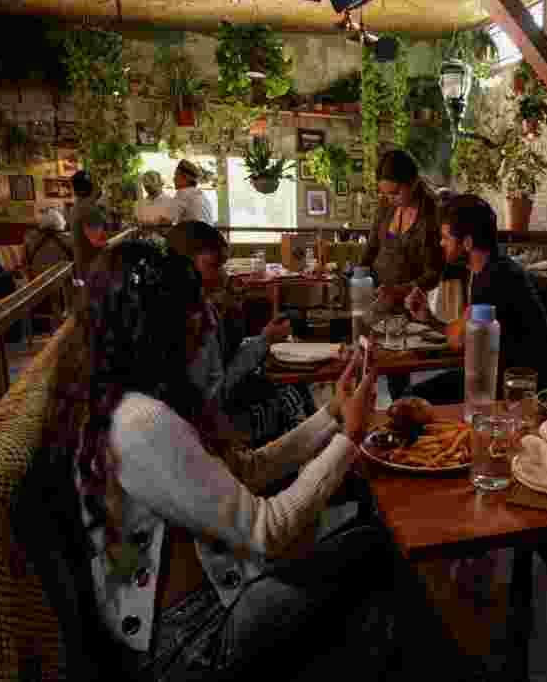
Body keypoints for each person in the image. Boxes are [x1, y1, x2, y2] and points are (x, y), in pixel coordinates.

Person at [41, 238, 483, 680]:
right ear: (150, 327)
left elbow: (249, 470)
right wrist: (349, 436)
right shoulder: (141, 421)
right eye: (189, 312)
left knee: (374, 555)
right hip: (189, 639)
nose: (203, 321)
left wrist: (331, 415)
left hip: (209, 604)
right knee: (377, 553)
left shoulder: (125, 399)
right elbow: (267, 530)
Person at [168, 220, 314, 446]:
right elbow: (217, 394)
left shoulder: (204, 307)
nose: (223, 275)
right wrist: (264, 341)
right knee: (289, 399)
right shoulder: (189, 322)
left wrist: (264, 336)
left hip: (216, 410)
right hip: (206, 428)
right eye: (215, 265)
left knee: (293, 388)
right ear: (184, 266)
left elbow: (223, 363)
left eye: (224, 265)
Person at [405, 194, 547, 403]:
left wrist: (431, 320)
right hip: (495, 376)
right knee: (414, 396)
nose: (441, 243)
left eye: (446, 237)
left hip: (516, 389)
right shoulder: (489, 268)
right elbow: (462, 332)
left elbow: (458, 339)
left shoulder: (496, 277)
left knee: (412, 398)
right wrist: (428, 318)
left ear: (467, 242)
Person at [360, 149, 444, 310]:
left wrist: (400, 290)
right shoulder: (386, 206)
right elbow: (371, 248)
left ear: (413, 182)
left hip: (411, 305)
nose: (390, 199)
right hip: (377, 298)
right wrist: (357, 279)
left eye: (395, 193)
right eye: (385, 194)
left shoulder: (431, 214)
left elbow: (433, 273)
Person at [69, 170, 105, 280]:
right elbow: (99, 242)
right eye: (97, 182)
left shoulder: (76, 207)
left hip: (83, 269)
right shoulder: (89, 210)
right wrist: (126, 233)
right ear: (91, 187)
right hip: (94, 271)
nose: (101, 185)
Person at [25, 209, 74, 277]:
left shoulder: (30, 241)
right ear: (61, 221)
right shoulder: (70, 240)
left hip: (38, 284)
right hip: (63, 283)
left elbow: (26, 266)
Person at [173, 159, 215, 226]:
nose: (174, 179)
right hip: (209, 235)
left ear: (185, 178)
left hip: (193, 235)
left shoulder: (182, 193)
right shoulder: (201, 194)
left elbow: (167, 220)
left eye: (176, 175)